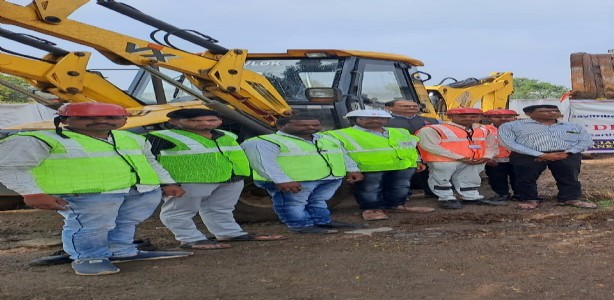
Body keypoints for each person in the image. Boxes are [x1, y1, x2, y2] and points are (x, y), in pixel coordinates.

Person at [0, 103, 191, 276]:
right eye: (87, 117)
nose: (100, 121)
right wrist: (32, 192)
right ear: (65, 120)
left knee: (125, 223)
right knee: (90, 227)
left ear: (124, 120)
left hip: (138, 191)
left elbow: (150, 162)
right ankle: (88, 257)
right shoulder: (38, 139)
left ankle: (121, 251)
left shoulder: (131, 138)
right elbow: (9, 166)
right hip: (87, 194)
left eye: (111, 117)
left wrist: (167, 183)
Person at [148, 109, 286, 250]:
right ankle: (190, 239)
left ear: (220, 120)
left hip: (231, 178)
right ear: (174, 122)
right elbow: (148, 161)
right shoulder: (160, 138)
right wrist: (165, 182)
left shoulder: (227, 135)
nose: (205, 124)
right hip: (189, 180)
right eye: (195, 121)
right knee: (179, 212)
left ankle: (229, 233)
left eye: (211, 120)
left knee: (221, 209)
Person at [242, 115, 365, 234]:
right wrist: (281, 180)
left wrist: (352, 169)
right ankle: (299, 225)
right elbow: (262, 163)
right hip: (292, 181)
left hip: (328, 178)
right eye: (303, 125)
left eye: (315, 125)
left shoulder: (327, 138)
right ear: (280, 126)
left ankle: (322, 221)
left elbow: (342, 154)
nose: (310, 127)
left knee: (318, 201)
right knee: (292, 203)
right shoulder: (264, 141)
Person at [324, 109, 434, 221]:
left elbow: (410, 147)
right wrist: (352, 169)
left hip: (402, 166)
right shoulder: (343, 134)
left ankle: (396, 205)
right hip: (370, 168)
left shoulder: (400, 131)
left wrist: (417, 161)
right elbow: (342, 154)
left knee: (400, 187)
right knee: (370, 189)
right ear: (355, 119)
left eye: (380, 118)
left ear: (387, 120)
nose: (375, 120)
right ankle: (371, 209)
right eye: (368, 118)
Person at [498, 105, 596, 210]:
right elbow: (508, 143)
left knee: (570, 176)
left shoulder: (573, 126)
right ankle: (529, 199)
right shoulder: (511, 126)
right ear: (529, 113)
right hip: (528, 155)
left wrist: (567, 153)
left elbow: (586, 141)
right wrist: (540, 155)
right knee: (525, 177)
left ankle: (570, 198)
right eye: (545, 111)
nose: (552, 112)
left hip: (565, 154)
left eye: (555, 110)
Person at [416, 108, 503, 209]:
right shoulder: (434, 129)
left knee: (470, 178)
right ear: (450, 117)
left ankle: (471, 197)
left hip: (473, 161)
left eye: (473, 116)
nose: (468, 118)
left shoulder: (483, 130)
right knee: (441, 179)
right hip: (445, 161)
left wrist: (487, 157)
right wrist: (459, 157)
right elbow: (429, 145)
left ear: (480, 117)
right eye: (462, 116)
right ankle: (446, 198)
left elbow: (491, 144)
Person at [382, 99, 441, 197]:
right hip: (398, 153)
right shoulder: (384, 122)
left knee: (428, 173)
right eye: (405, 106)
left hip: (426, 152)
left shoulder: (432, 121)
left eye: (414, 106)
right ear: (389, 108)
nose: (411, 108)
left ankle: (431, 191)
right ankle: (401, 195)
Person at [482, 109, 521, 202]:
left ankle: (520, 194)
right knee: (496, 178)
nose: (503, 119)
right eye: (497, 117)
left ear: (514, 118)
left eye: (508, 117)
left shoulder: (521, 129)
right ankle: (502, 194)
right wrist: (486, 159)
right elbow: (479, 145)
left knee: (518, 177)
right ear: (489, 118)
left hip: (517, 159)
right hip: (496, 160)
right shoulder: (484, 130)